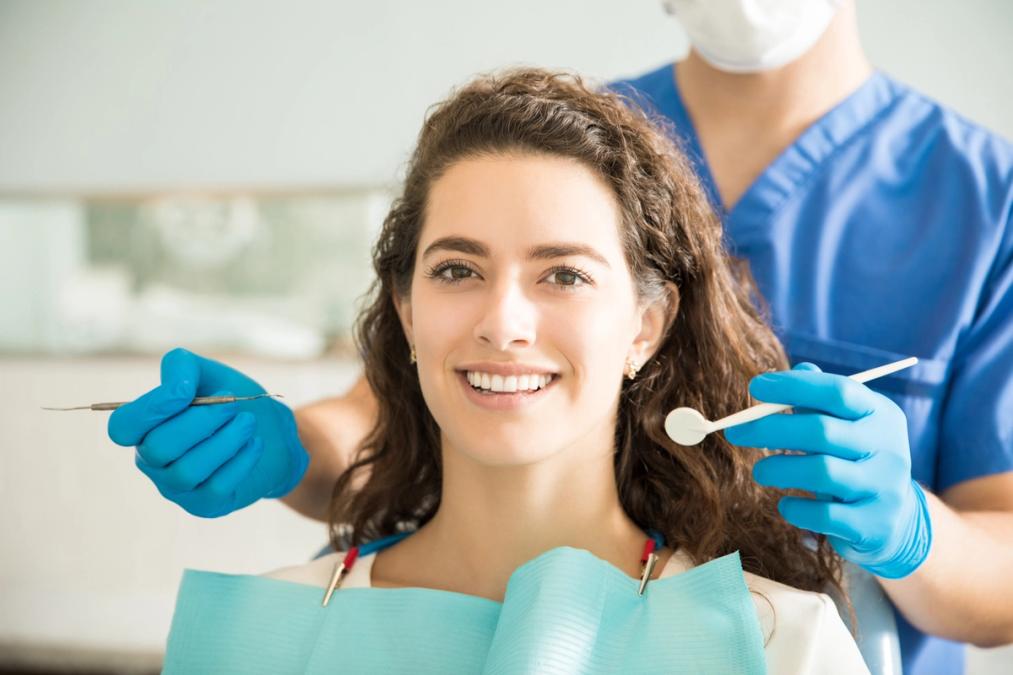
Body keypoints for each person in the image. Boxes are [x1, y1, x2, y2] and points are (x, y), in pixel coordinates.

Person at [108, 1, 1013, 673]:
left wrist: (910, 532)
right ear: (405, 302)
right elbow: (385, 413)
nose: (506, 321)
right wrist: (286, 447)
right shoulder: (556, 143)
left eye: (566, 274)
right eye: (458, 269)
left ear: (648, 324)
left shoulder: (979, 200)